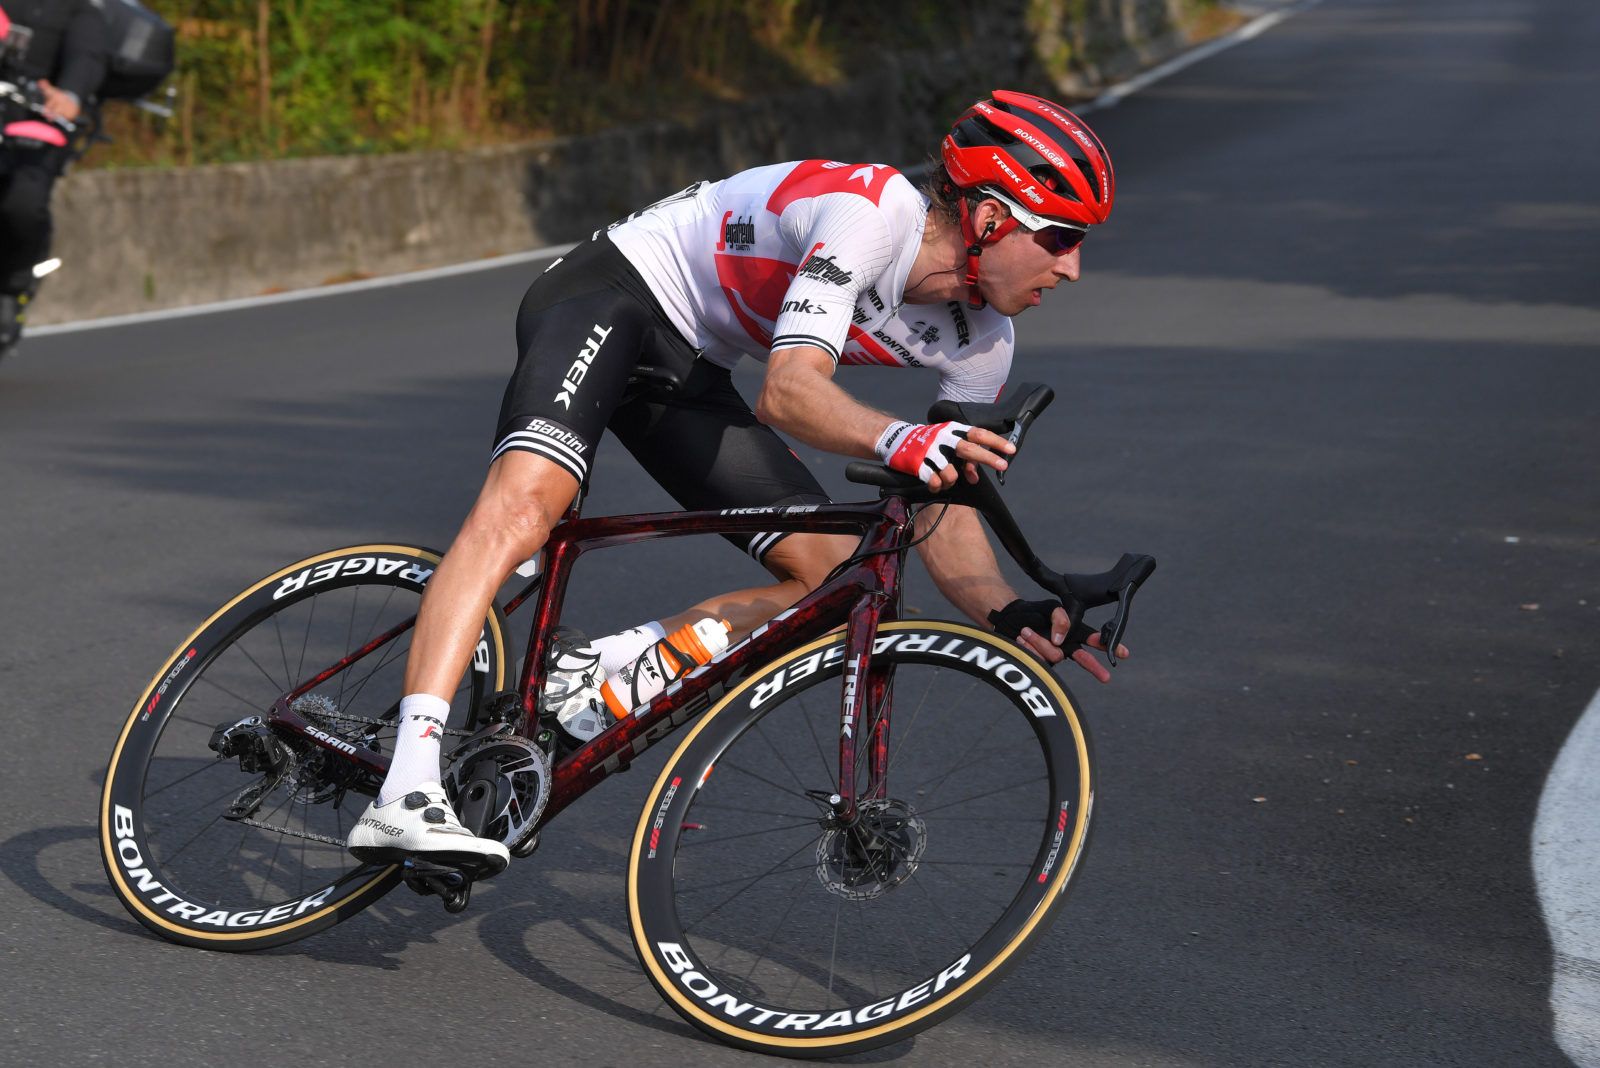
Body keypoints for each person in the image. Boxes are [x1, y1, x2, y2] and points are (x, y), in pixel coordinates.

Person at [347, 90, 1127, 875]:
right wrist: (901, 437)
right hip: (615, 294)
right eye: (1060, 237)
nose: (1072, 267)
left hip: (691, 367)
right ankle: (405, 789)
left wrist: (1012, 610)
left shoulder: (985, 342)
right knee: (524, 513)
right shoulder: (871, 216)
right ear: (989, 218)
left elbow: (942, 500)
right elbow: (787, 392)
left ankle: (599, 675)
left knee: (836, 580)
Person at [0, 0, 106, 352]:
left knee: (22, 204)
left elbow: (86, 57)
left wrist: (70, 95)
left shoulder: (77, 9)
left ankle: (13, 288)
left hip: (37, 119)